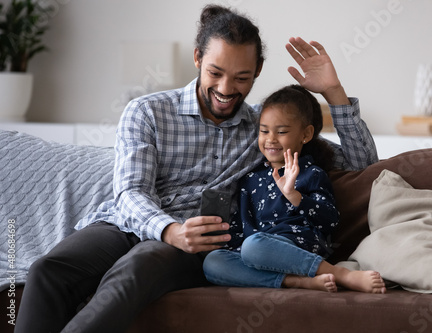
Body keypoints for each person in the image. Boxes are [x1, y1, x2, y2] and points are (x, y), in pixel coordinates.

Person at [15, 4, 379, 333]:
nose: (226, 88)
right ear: (197, 59)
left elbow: (363, 166)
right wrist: (168, 229)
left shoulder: (263, 131)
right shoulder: (148, 112)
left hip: (196, 243)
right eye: (215, 72)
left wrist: (333, 92)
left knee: (135, 270)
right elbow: (130, 193)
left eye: (241, 78)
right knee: (46, 270)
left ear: (257, 72)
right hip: (126, 224)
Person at [203, 85, 386, 293]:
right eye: (264, 131)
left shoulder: (311, 173)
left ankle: (340, 274)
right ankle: (295, 281)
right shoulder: (251, 177)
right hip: (259, 250)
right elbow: (242, 224)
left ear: (306, 134)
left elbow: (330, 220)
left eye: (281, 132)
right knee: (213, 262)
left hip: (297, 247)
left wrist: (294, 195)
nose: (271, 139)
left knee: (254, 246)